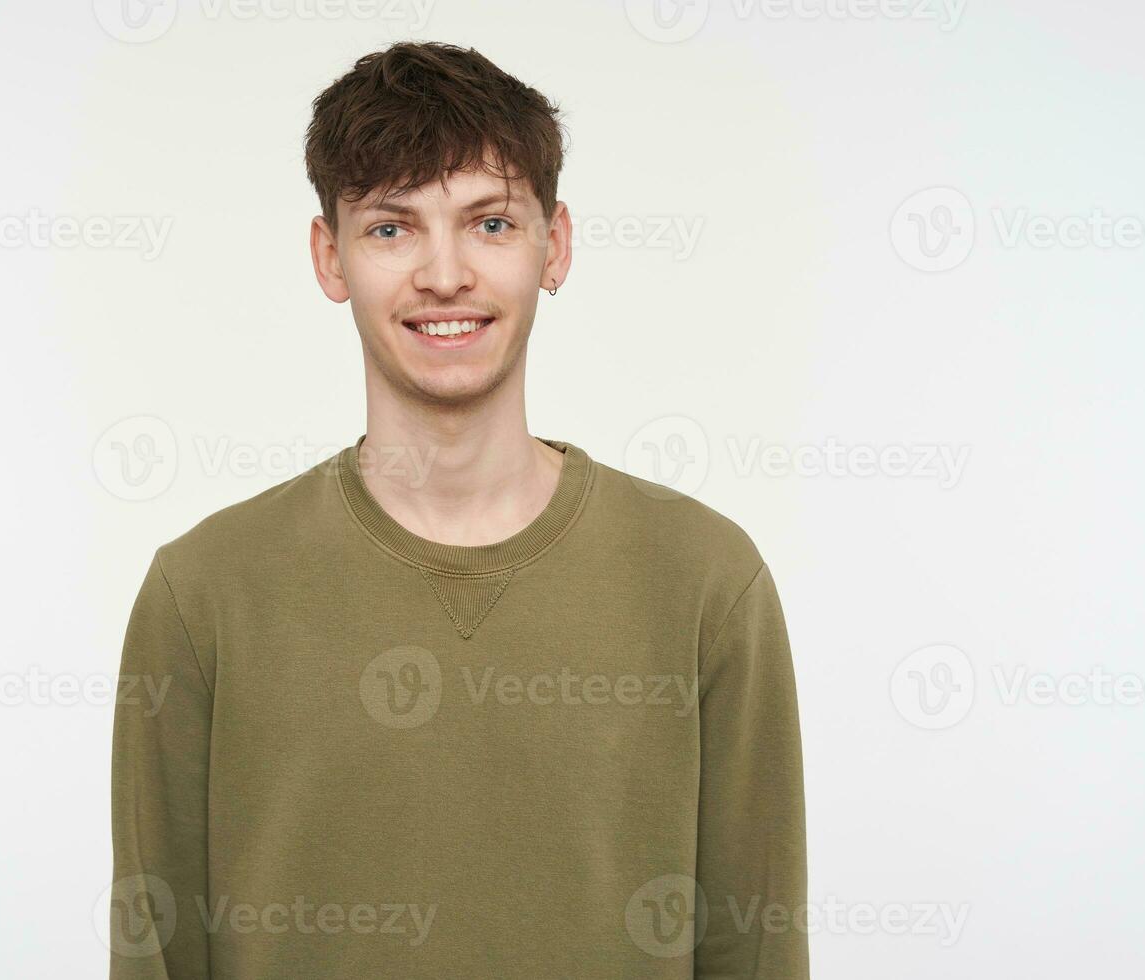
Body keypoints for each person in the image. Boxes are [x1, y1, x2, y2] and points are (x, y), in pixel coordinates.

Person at [108, 40, 808, 979]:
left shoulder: (707, 582)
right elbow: (157, 956)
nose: (444, 275)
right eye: (393, 228)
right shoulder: (203, 595)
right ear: (331, 257)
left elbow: (754, 952)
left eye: (489, 223)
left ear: (553, 244)